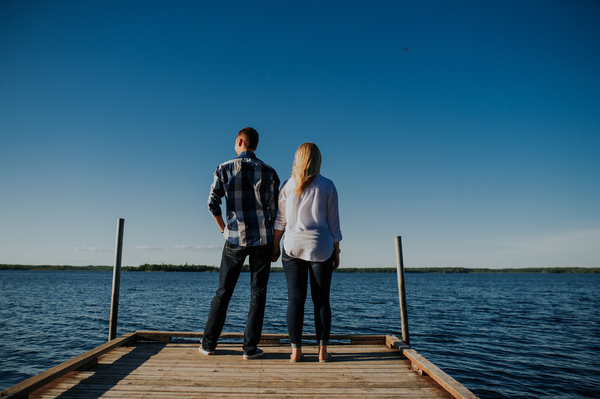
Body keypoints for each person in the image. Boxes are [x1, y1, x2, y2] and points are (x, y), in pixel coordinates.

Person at [200, 127, 280, 360]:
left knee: (223, 292)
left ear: (240, 141)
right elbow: (275, 212)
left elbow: (211, 204)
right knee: (258, 294)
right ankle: (249, 349)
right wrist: (276, 244)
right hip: (263, 239)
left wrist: (223, 228)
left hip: (234, 238)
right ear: (254, 145)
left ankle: (208, 344)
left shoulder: (224, 168)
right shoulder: (269, 172)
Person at [271, 142, 342, 363]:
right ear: (318, 160)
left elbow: (280, 221)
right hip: (320, 245)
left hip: (292, 245)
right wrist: (337, 250)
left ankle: (296, 352)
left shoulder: (287, 185)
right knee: (321, 301)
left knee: (295, 300)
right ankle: (322, 353)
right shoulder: (327, 185)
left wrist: (275, 246)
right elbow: (334, 224)